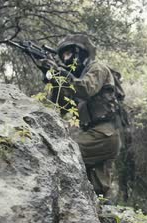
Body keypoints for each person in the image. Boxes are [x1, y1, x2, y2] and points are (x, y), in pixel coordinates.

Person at [45, 34, 124, 198]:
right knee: (96, 189)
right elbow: (57, 108)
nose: (66, 60)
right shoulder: (76, 81)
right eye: (63, 56)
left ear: (79, 54)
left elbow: (87, 89)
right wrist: (54, 80)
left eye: (68, 54)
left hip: (104, 134)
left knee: (65, 151)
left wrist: (62, 75)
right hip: (95, 134)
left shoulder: (98, 68)